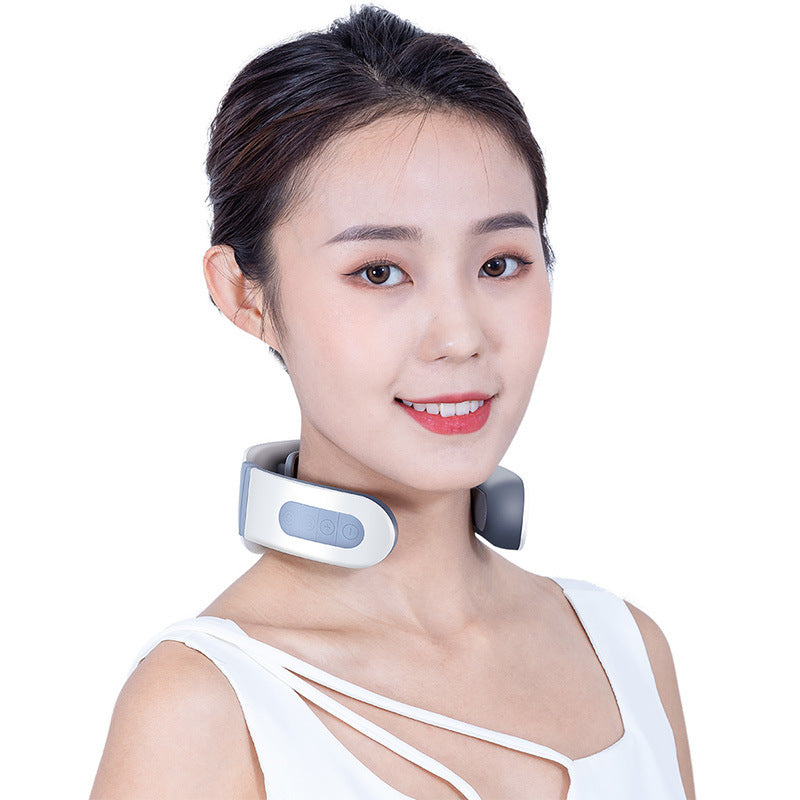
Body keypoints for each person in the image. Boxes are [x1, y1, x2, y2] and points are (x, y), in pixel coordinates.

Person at [91, 6, 694, 799]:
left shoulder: (627, 651)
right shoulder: (203, 707)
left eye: (501, 263)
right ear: (244, 294)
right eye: (380, 272)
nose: (461, 337)